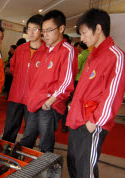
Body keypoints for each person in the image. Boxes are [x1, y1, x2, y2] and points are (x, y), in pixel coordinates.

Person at [59, 8, 125, 178]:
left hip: (92, 122)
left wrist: (95, 121)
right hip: (78, 117)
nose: (83, 38)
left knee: (86, 165)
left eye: (85, 32)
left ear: (99, 29)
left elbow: (113, 94)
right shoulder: (94, 54)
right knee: (72, 159)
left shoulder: (116, 56)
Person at [21, 10, 77, 152]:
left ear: (61, 28)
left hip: (49, 106)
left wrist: (49, 102)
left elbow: (66, 83)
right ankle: (21, 168)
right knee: (27, 138)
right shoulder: (45, 50)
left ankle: (46, 172)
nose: (45, 34)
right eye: (43, 31)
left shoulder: (67, 51)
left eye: (49, 30)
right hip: (34, 102)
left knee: (45, 144)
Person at [2, 14, 47, 143]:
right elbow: (13, 68)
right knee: (10, 127)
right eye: (29, 28)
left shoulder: (47, 52)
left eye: (35, 29)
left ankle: (26, 154)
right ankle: (5, 151)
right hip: (16, 95)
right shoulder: (20, 49)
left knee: (30, 130)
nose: (31, 32)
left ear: (42, 31)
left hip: (33, 98)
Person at [62, 41, 90, 132]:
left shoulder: (81, 56)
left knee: (69, 103)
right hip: (86, 83)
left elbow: (76, 70)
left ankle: (65, 125)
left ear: (79, 46)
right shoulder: (91, 54)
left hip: (77, 82)